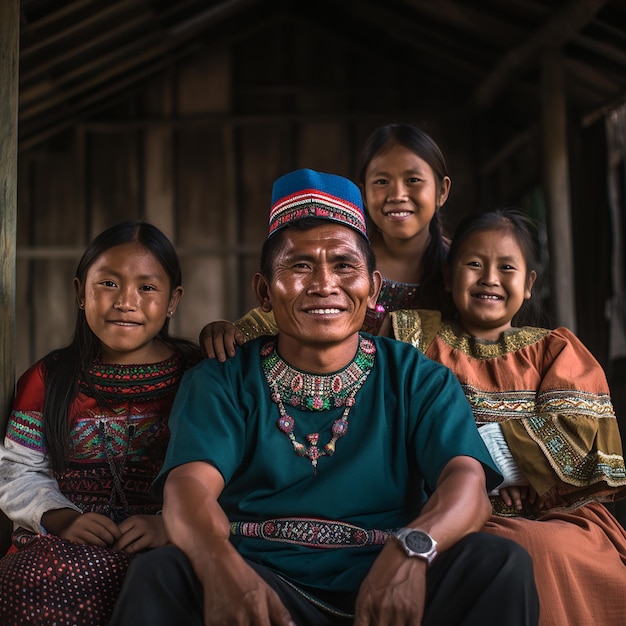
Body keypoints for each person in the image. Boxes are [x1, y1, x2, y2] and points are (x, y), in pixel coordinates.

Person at [109, 169, 539, 626]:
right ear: (263, 292)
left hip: (393, 581)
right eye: (299, 266)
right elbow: (189, 488)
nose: (324, 284)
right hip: (262, 582)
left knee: (500, 564)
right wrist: (220, 567)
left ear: (372, 288)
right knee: (161, 575)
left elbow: (467, 483)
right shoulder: (222, 378)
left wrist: (412, 551)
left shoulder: (417, 376)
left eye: (343, 265)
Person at [391, 208, 626, 626]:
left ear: (529, 284)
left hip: (553, 512)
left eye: (506, 267)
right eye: (474, 264)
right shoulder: (414, 339)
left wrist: (510, 468)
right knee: (508, 552)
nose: (489, 278)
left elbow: (578, 427)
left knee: (563, 551)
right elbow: (394, 418)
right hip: (448, 507)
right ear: (448, 277)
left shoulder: (555, 350)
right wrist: (482, 478)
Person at [0, 221, 201, 625]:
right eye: (108, 283)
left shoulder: (199, 375)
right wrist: (63, 518)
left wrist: (169, 526)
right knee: (25, 580)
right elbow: (17, 470)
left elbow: (226, 472)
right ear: (80, 292)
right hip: (62, 538)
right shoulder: (49, 379)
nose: (126, 301)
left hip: (167, 536)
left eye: (147, 287)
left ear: (173, 300)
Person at [201, 123, 453, 360]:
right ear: (364, 193)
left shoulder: (463, 266)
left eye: (413, 180)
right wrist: (230, 332)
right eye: (382, 182)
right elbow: (285, 310)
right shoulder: (340, 254)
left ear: (442, 190)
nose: (397, 195)